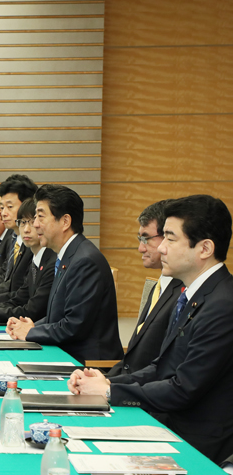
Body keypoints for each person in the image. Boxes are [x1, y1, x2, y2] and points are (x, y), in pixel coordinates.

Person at [68, 195, 233, 464]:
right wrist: (106, 382)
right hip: (168, 424)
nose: (162, 249)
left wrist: (110, 392)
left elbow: (183, 389)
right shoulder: (191, 294)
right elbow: (161, 367)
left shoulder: (223, 305)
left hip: (197, 445)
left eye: (170, 238)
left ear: (204, 248)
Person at [6, 184, 123, 364]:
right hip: (67, 353)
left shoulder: (85, 261)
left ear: (65, 222)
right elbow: (58, 316)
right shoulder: (68, 255)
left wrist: (31, 332)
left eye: (40, 216)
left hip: (88, 364)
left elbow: (73, 326)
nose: (35, 224)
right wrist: (31, 326)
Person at [106, 200, 182, 377]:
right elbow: (132, 361)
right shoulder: (158, 286)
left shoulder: (184, 295)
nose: (140, 248)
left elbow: (164, 369)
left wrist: (111, 386)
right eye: (140, 239)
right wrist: (104, 379)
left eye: (146, 239)